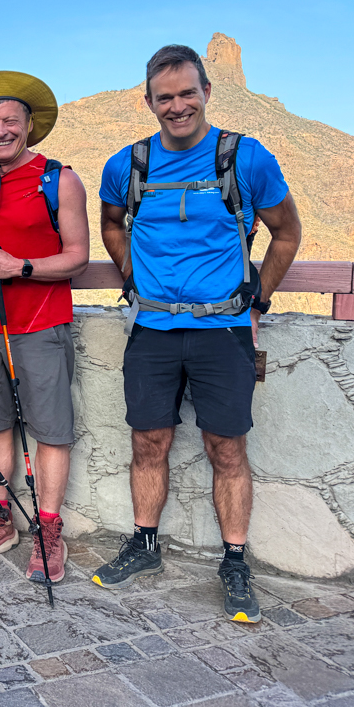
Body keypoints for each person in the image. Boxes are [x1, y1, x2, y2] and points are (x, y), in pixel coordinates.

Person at [95, 44, 301, 623]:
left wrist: (258, 297)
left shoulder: (246, 158)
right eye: (166, 97)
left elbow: (286, 232)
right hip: (153, 329)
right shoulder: (127, 165)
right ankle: (144, 544)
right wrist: (131, 272)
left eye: (188, 93)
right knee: (147, 442)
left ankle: (235, 560)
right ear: (149, 102)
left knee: (226, 449)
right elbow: (112, 222)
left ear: (208, 91)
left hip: (224, 330)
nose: (178, 105)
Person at [0, 71, 90, 583]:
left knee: (50, 430)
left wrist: (22, 267)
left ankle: (48, 529)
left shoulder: (60, 179)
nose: (1, 130)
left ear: (29, 125)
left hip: (41, 324)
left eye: (11, 120)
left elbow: (78, 257)